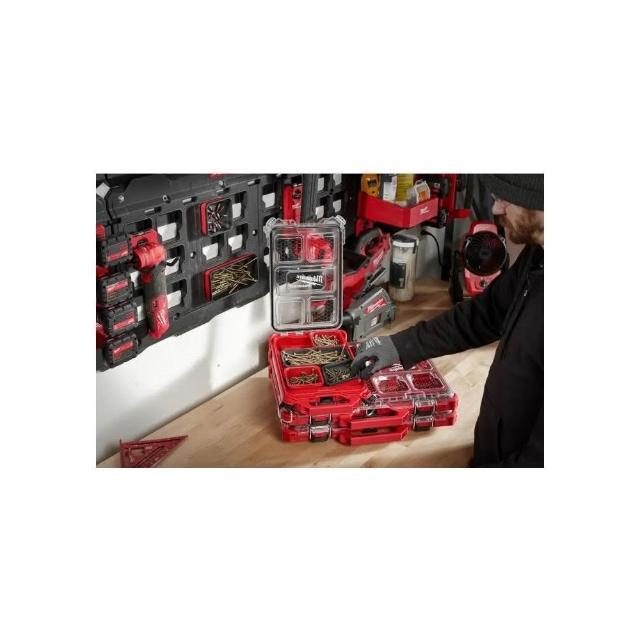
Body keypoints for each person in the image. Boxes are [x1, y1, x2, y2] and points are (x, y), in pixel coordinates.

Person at [351, 174, 544, 467]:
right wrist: (401, 346)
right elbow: (486, 314)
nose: (495, 209)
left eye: (505, 199)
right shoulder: (538, 256)